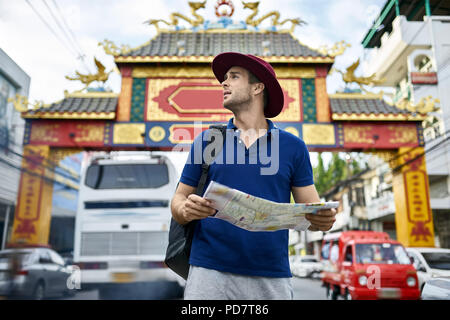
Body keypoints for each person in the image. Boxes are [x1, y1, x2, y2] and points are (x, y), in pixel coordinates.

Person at [170, 52, 337, 300]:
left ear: (258, 87)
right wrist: (185, 210)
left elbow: (312, 212)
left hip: (271, 274)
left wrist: (324, 219)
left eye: (234, 77)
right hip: (208, 270)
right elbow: (179, 199)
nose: (224, 83)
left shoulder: (293, 147)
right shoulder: (207, 141)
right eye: (224, 78)